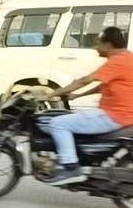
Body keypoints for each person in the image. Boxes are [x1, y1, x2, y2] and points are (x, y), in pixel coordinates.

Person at [41, 26, 133, 184]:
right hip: (121, 114)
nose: (95, 47)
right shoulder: (127, 57)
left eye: (98, 43)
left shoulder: (117, 62)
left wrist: (52, 94)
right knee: (69, 119)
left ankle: (70, 168)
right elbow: (102, 86)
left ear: (108, 45)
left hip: (114, 116)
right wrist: (78, 95)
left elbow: (85, 80)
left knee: (58, 123)